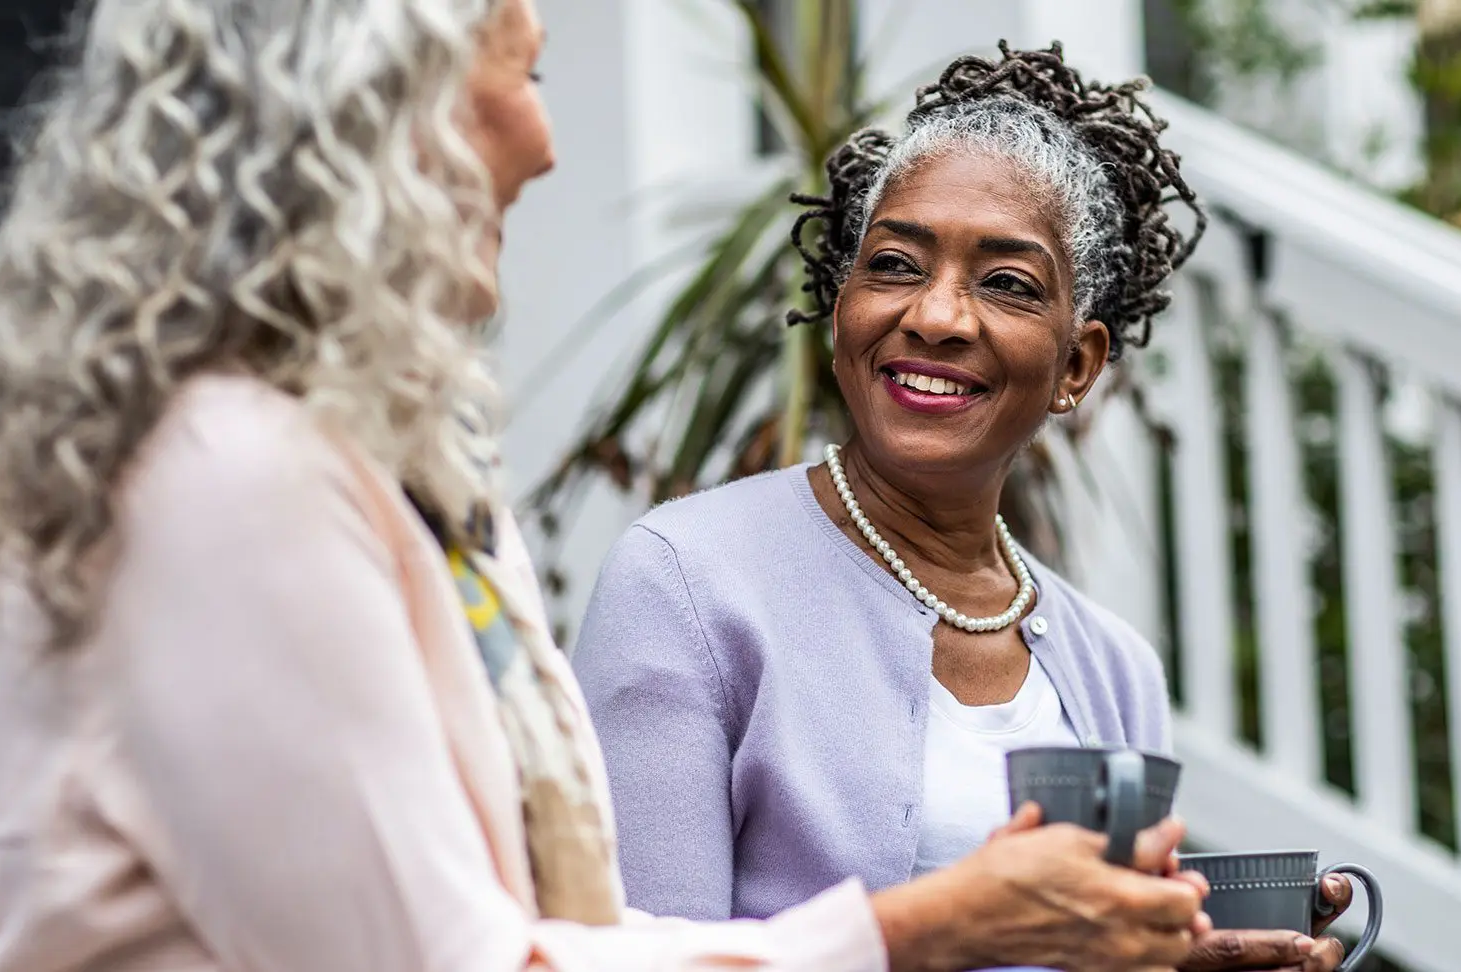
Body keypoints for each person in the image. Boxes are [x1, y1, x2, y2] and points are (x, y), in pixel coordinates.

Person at [0, 2, 1217, 970]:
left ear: (1081, 361)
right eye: (523, 72)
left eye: (1005, 283)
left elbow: (552, 937)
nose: (545, 140)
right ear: (373, 114)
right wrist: (928, 928)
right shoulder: (223, 479)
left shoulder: (398, 479)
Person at [573, 43, 1352, 971]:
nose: (937, 316)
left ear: (1077, 365)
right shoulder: (687, 586)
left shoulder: (1115, 672)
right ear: (840, 310)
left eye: (1007, 284)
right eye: (896, 264)